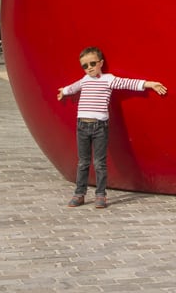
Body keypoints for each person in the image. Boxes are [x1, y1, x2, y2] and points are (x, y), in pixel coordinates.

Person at [56, 46, 167, 209]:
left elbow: (128, 83)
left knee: (99, 162)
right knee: (83, 162)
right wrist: (64, 91)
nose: (89, 68)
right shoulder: (85, 80)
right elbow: (73, 87)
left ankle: (101, 195)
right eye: (84, 66)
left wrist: (149, 84)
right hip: (82, 126)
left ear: (100, 63)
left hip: (100, 126)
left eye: (92, 63)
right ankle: (79, 194)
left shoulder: (108, 79)